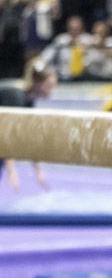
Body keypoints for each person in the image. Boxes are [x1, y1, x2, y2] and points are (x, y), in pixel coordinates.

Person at [0, 62, 57, 192]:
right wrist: (12, 171)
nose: (51, 91)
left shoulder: (27, 101)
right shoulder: (15, 97)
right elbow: (6, 136)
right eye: (48, 86)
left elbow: (28, 137)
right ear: (38, 83)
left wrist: (38, 171)